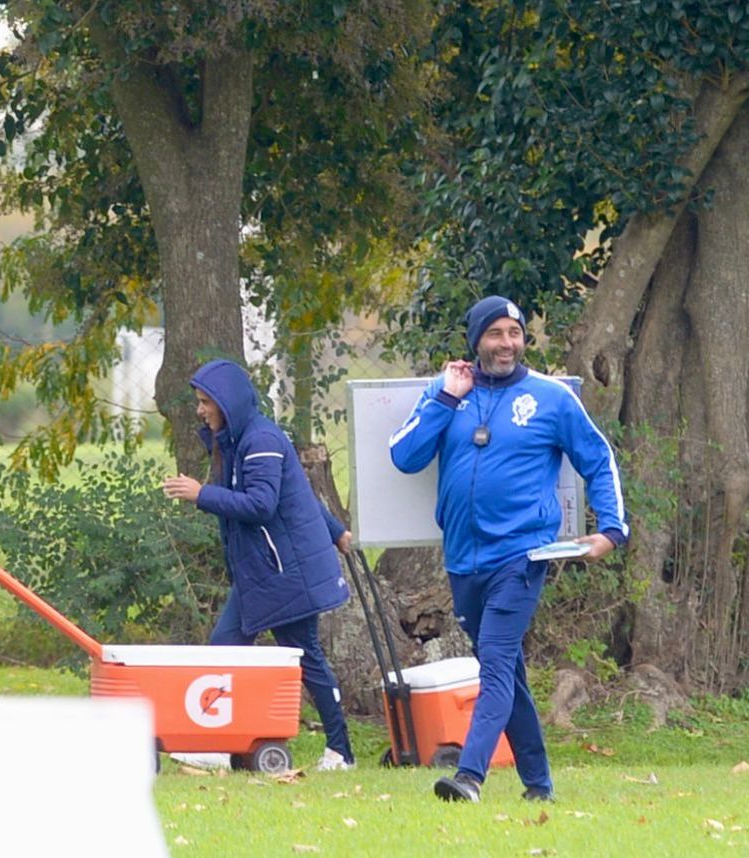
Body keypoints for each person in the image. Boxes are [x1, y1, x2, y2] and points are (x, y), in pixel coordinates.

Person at [389, 295, 628, 803]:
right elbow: (404, 456)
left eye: (514, 333)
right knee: (509, 673)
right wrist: (446, 398)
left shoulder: (551, 397)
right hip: (462, 561)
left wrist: (611, 529)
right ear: (477, 340)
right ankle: (539, 785)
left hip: (522, 556)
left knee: (495, 663)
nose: (507, 344)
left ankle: (470, 777)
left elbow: (598, 458)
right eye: (495, 334)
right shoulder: (448, 390)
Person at [162, 359, 357, 771]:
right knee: (225, 649)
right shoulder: (238, 439)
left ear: (225, 402)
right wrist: (337, 530)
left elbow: (262, 504)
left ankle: (341, 752)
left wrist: (202, 495)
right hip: (264, 573)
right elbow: (299, 493)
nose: (199, 410)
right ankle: (218, 742)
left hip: (284, 574)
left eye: (204, 403)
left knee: (305, 659)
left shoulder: (260, 440)